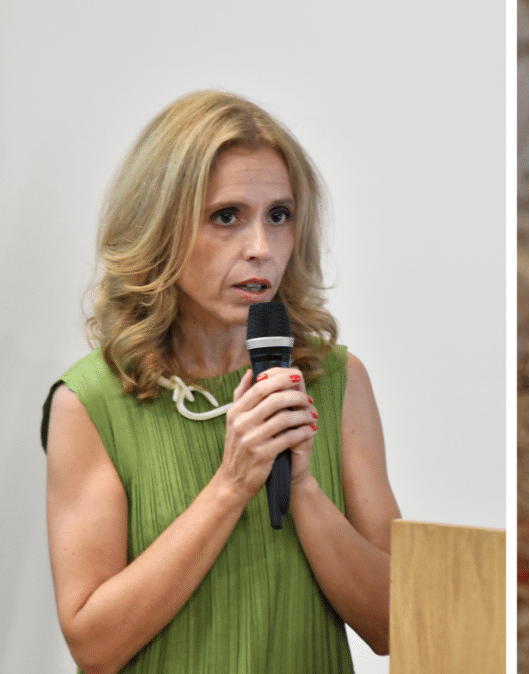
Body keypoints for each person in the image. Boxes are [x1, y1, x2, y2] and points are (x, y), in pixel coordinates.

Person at [41, 90, 401, 674]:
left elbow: (395, 625)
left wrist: (302, 485)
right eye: (226, 217)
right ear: (161, 227)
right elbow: (94, 648)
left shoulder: (338, 381)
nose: (261, 249)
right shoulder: (91, 404)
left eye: (279, 216)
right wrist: (233, 483)